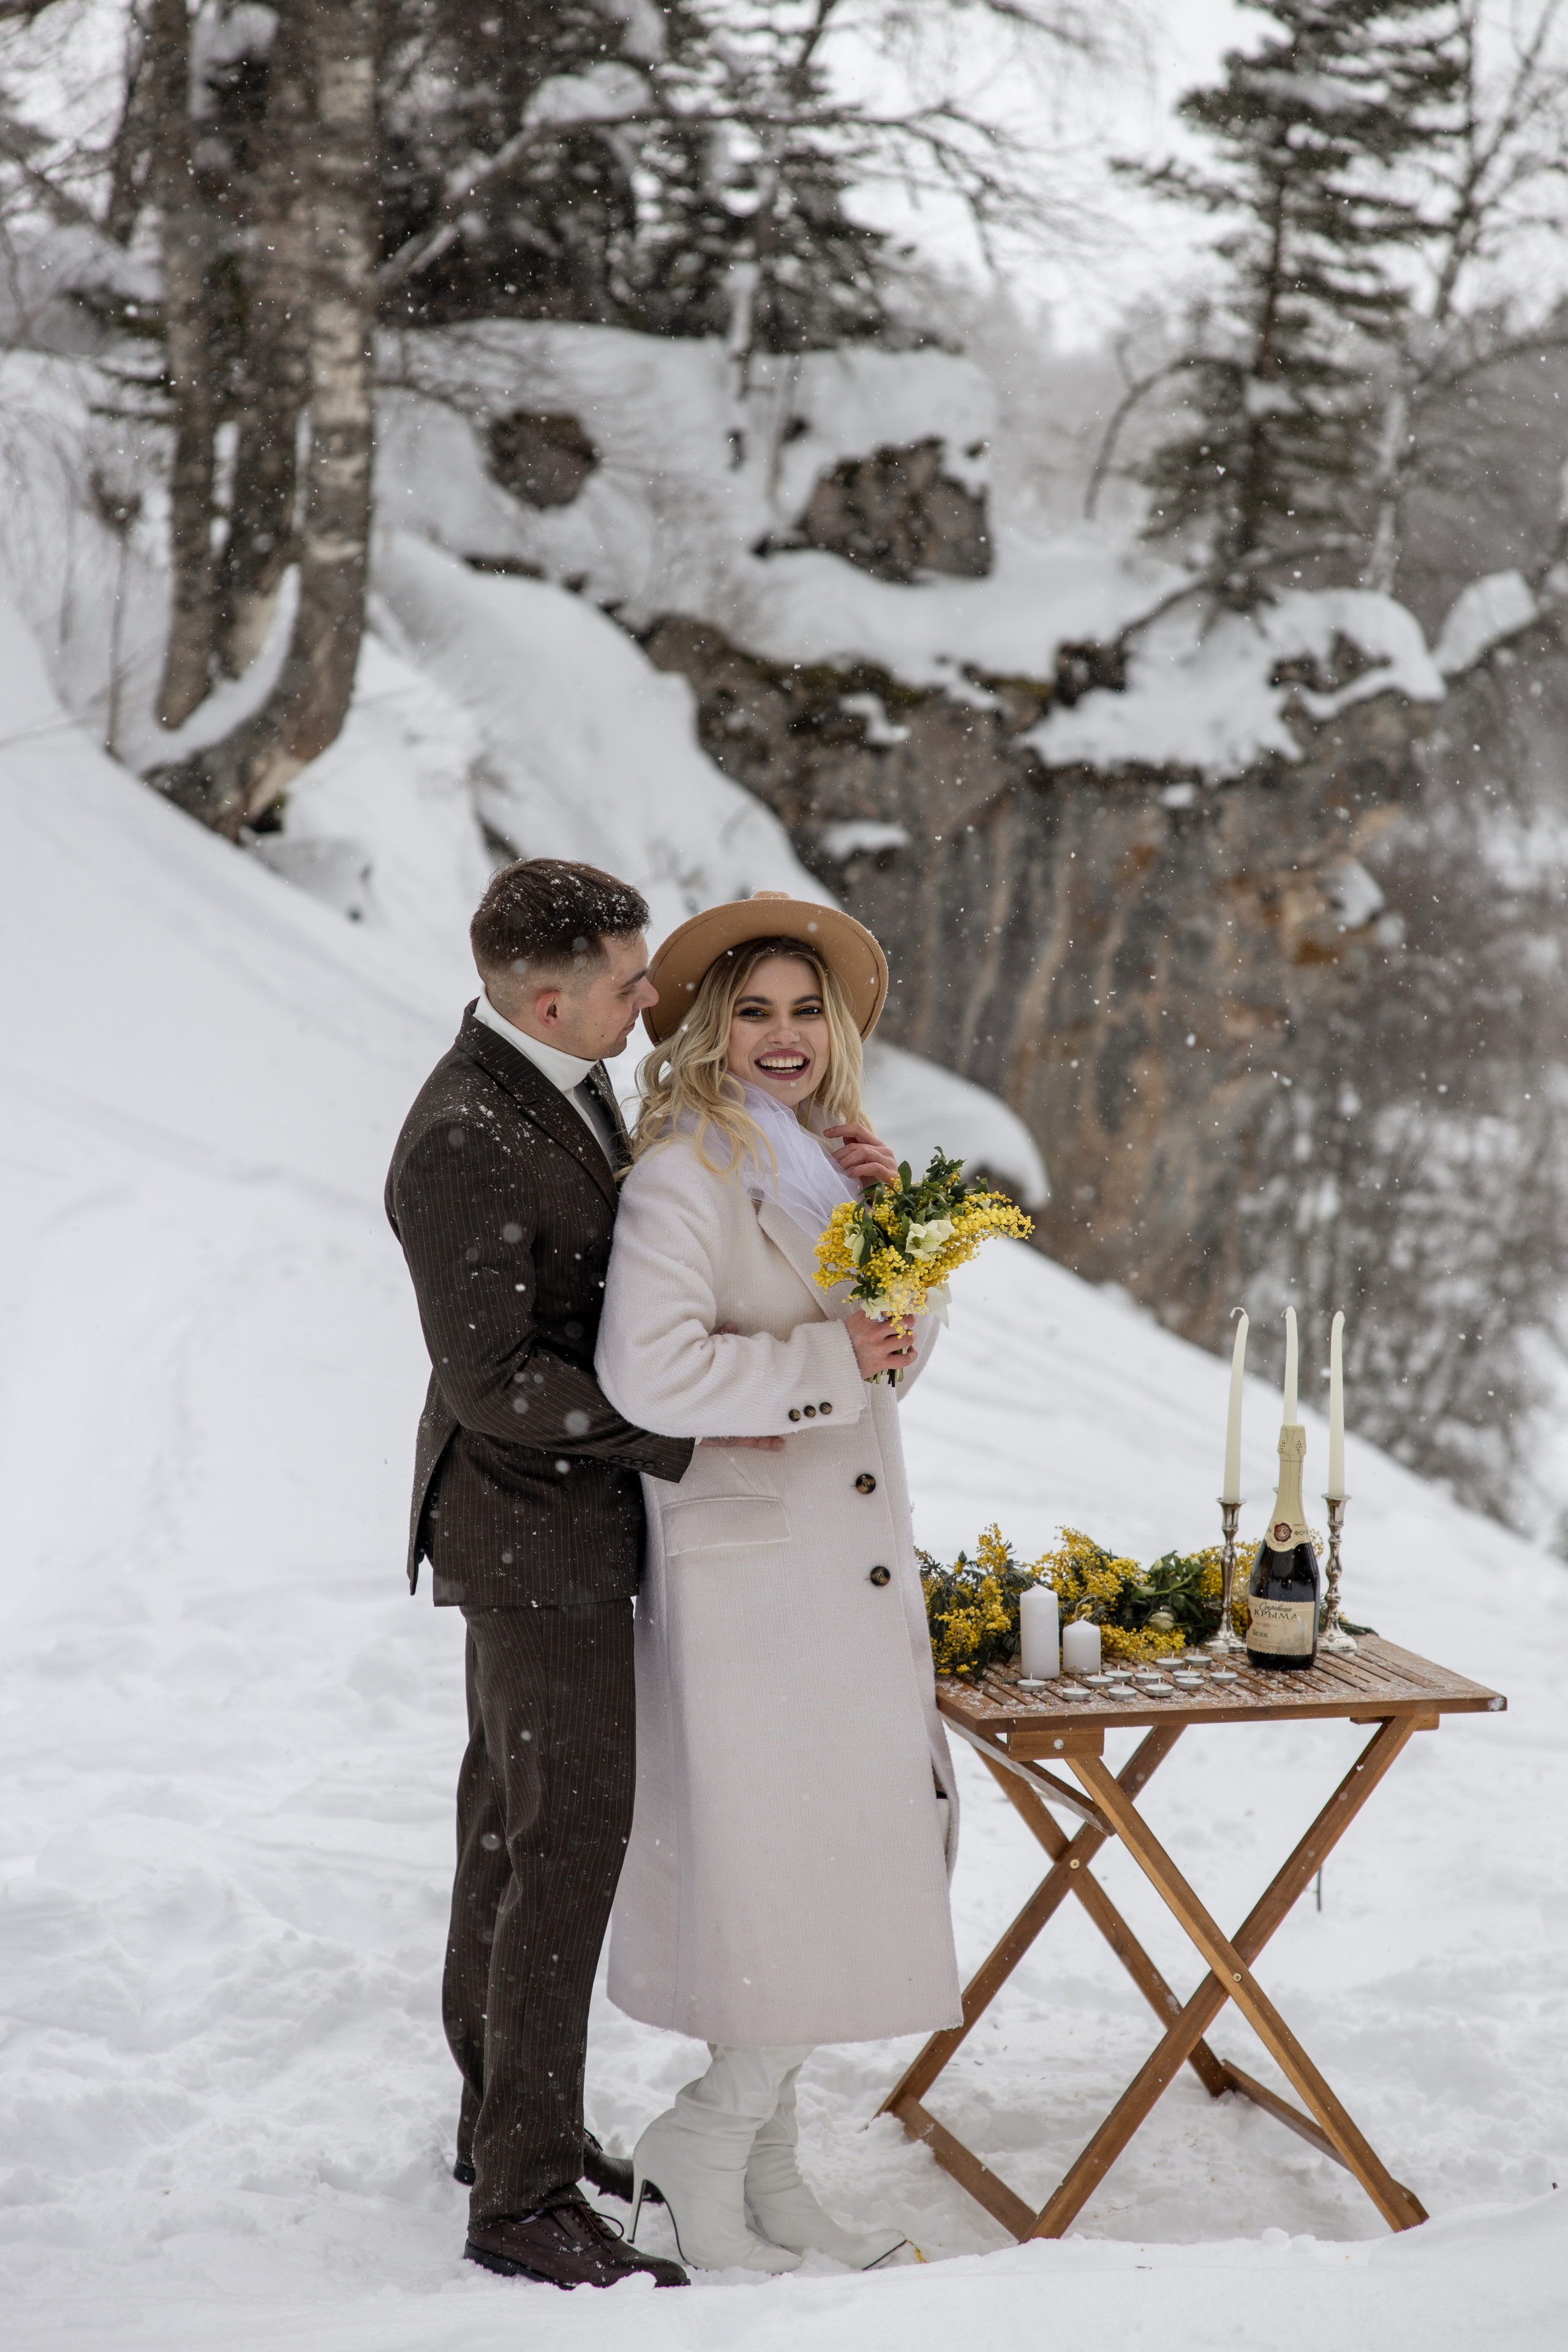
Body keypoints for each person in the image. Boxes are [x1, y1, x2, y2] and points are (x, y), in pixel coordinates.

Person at [595, 890, 962, 2275]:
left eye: (807, 1010)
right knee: (789, 1868)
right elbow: (649, 1373)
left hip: (840, 1570)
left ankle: (762, 2171)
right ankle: (699, 2148)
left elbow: (891, 1362)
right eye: (753, 1010)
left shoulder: (826, 1167)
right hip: (751, 1584)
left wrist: (897, 1238)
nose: (784, 1033)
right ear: (708, 1027)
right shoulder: (684, 1173)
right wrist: (829, 1360)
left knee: (824, 1862)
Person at [385, 858, 704, 2291]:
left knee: (509, 1835)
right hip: (529, 1532)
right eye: (630, 985)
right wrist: (686, 1429)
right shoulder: (463, 1133)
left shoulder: (560, 1076)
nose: (651, 1003)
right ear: (549, 997)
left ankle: (507, 2123)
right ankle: (521, 2198)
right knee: (563, 1841)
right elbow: (496, 1381)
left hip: (546, 1524)